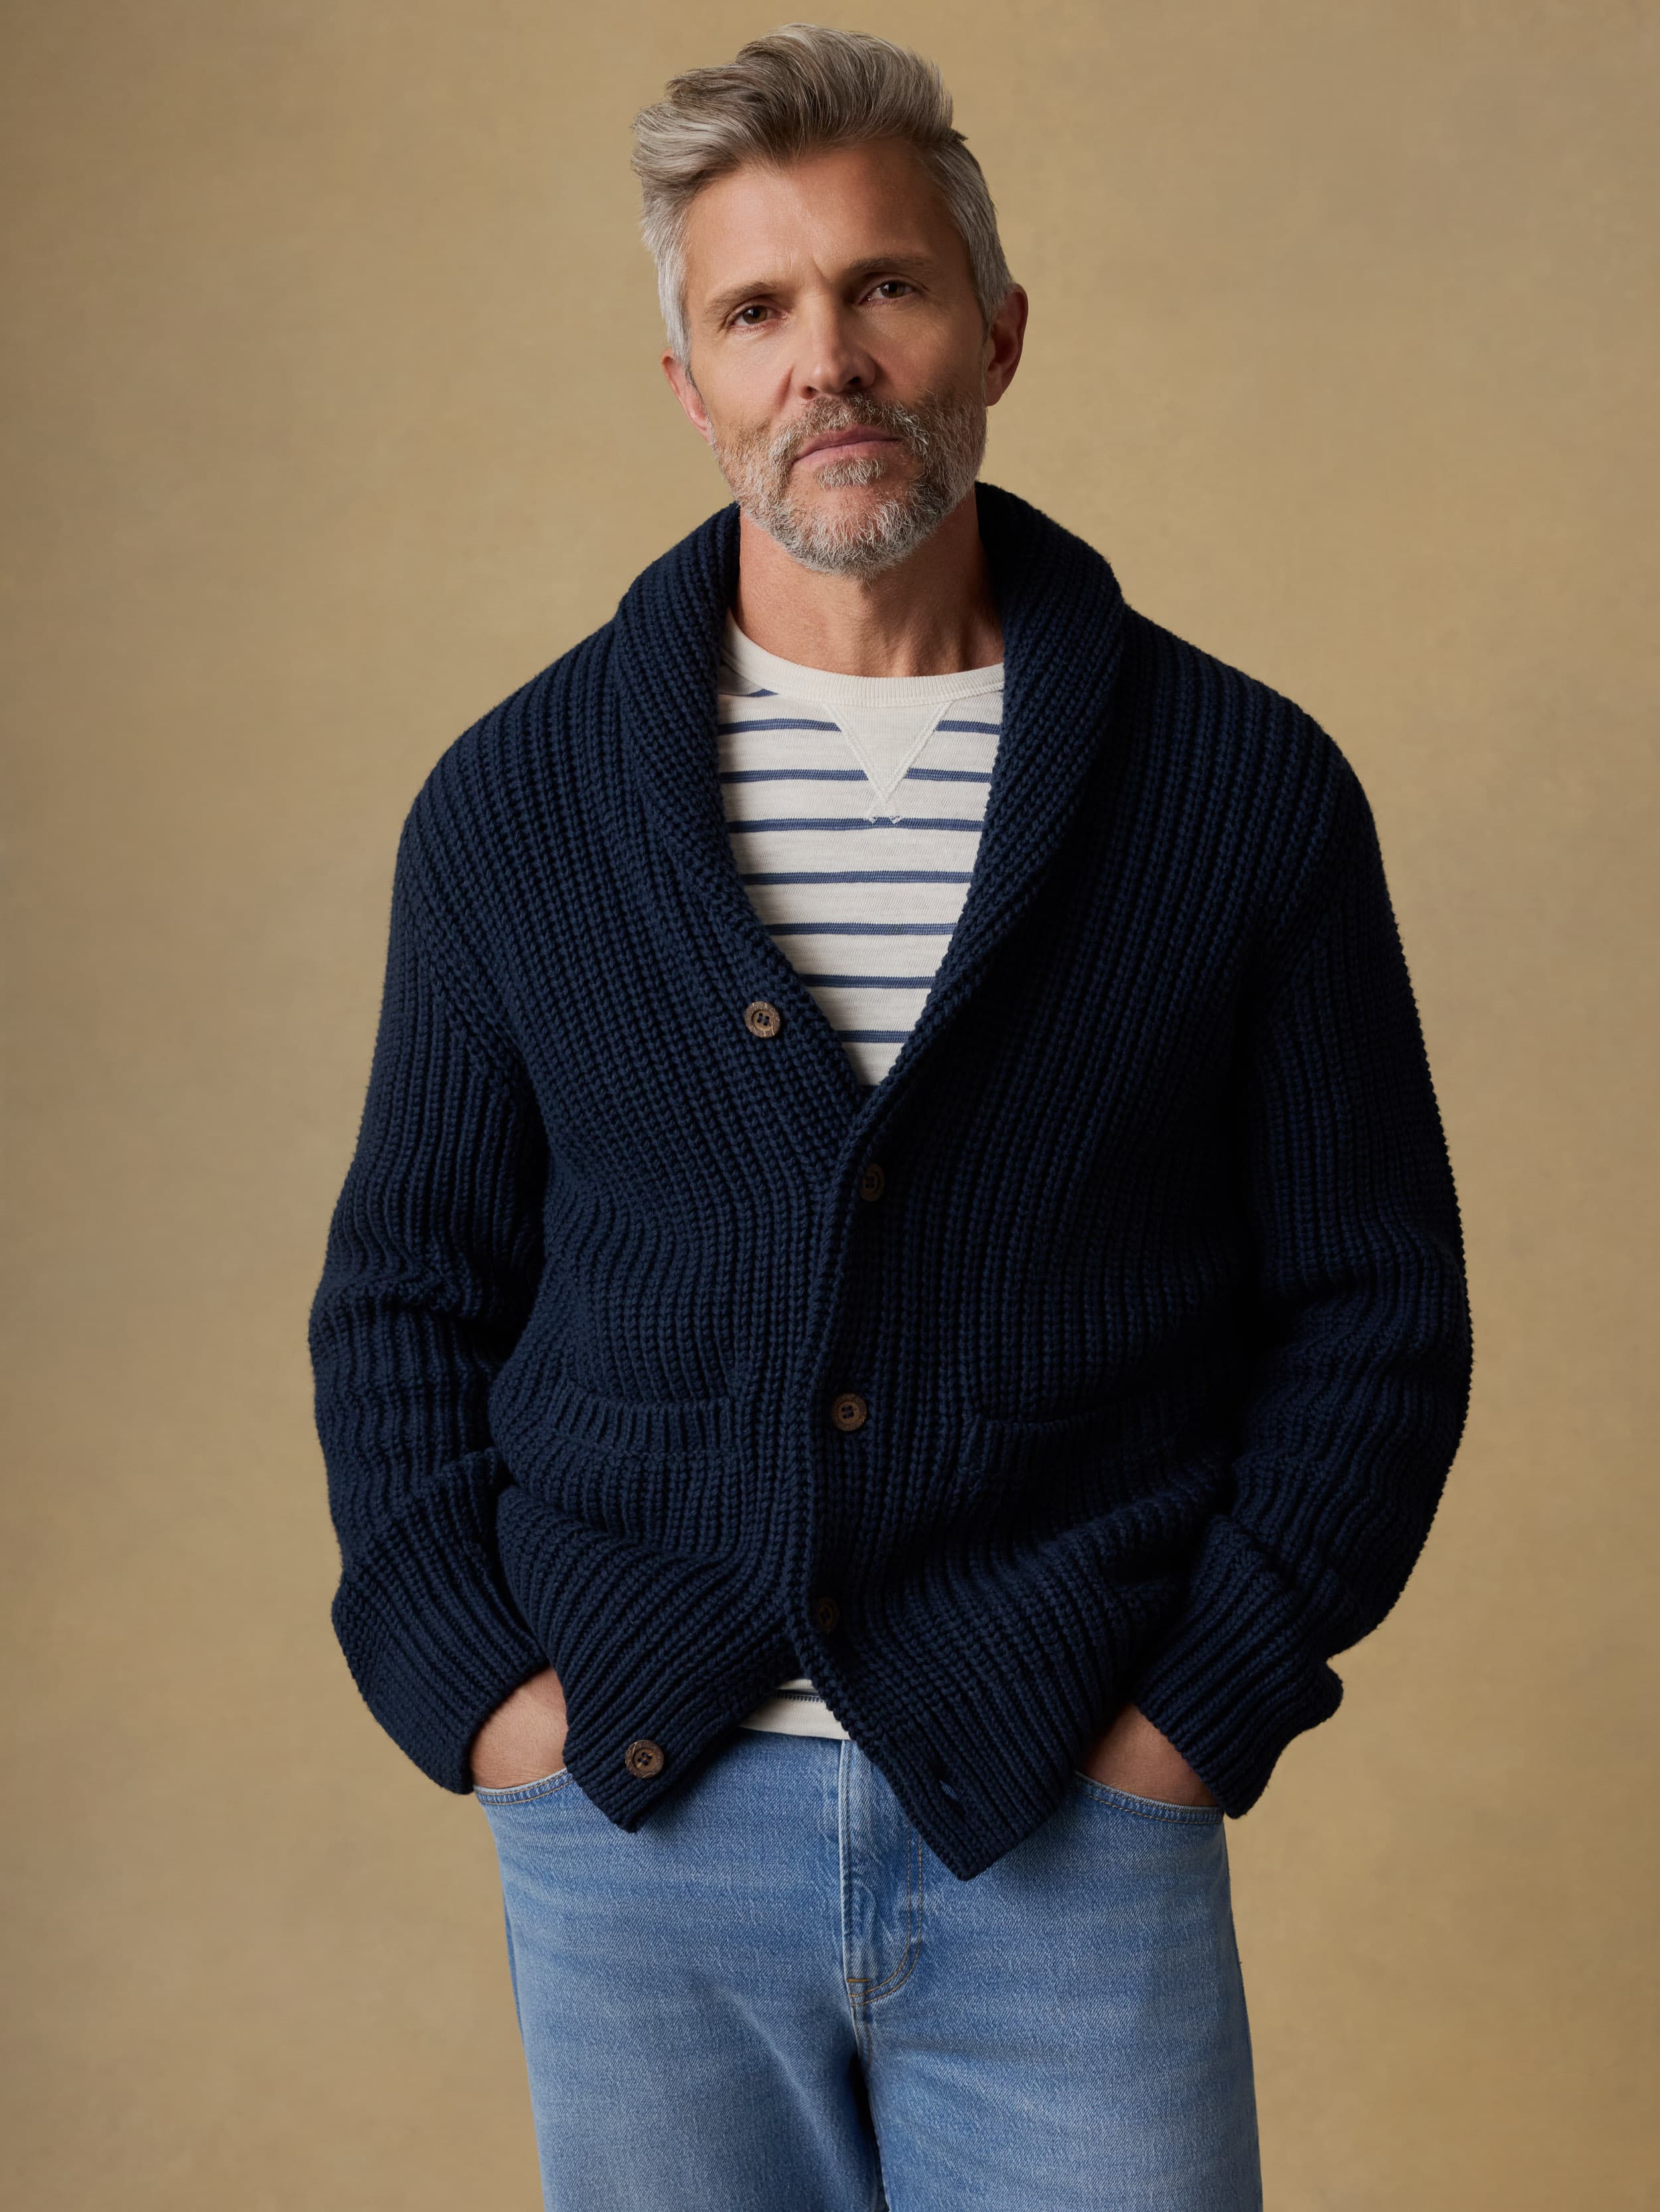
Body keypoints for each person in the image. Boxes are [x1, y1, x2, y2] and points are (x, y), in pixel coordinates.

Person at [308, 25, 1471, 2211]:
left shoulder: (1239, 793)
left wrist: (1194, 1717)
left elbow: (1376, 1313)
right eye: (756, 311)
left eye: (886, 289)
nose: (826, 359)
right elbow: (404, 1294)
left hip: (1072, 1815)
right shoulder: (519, 808)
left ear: (999, 332)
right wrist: (485, 1703)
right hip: (639, 1829)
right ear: (690, 386)